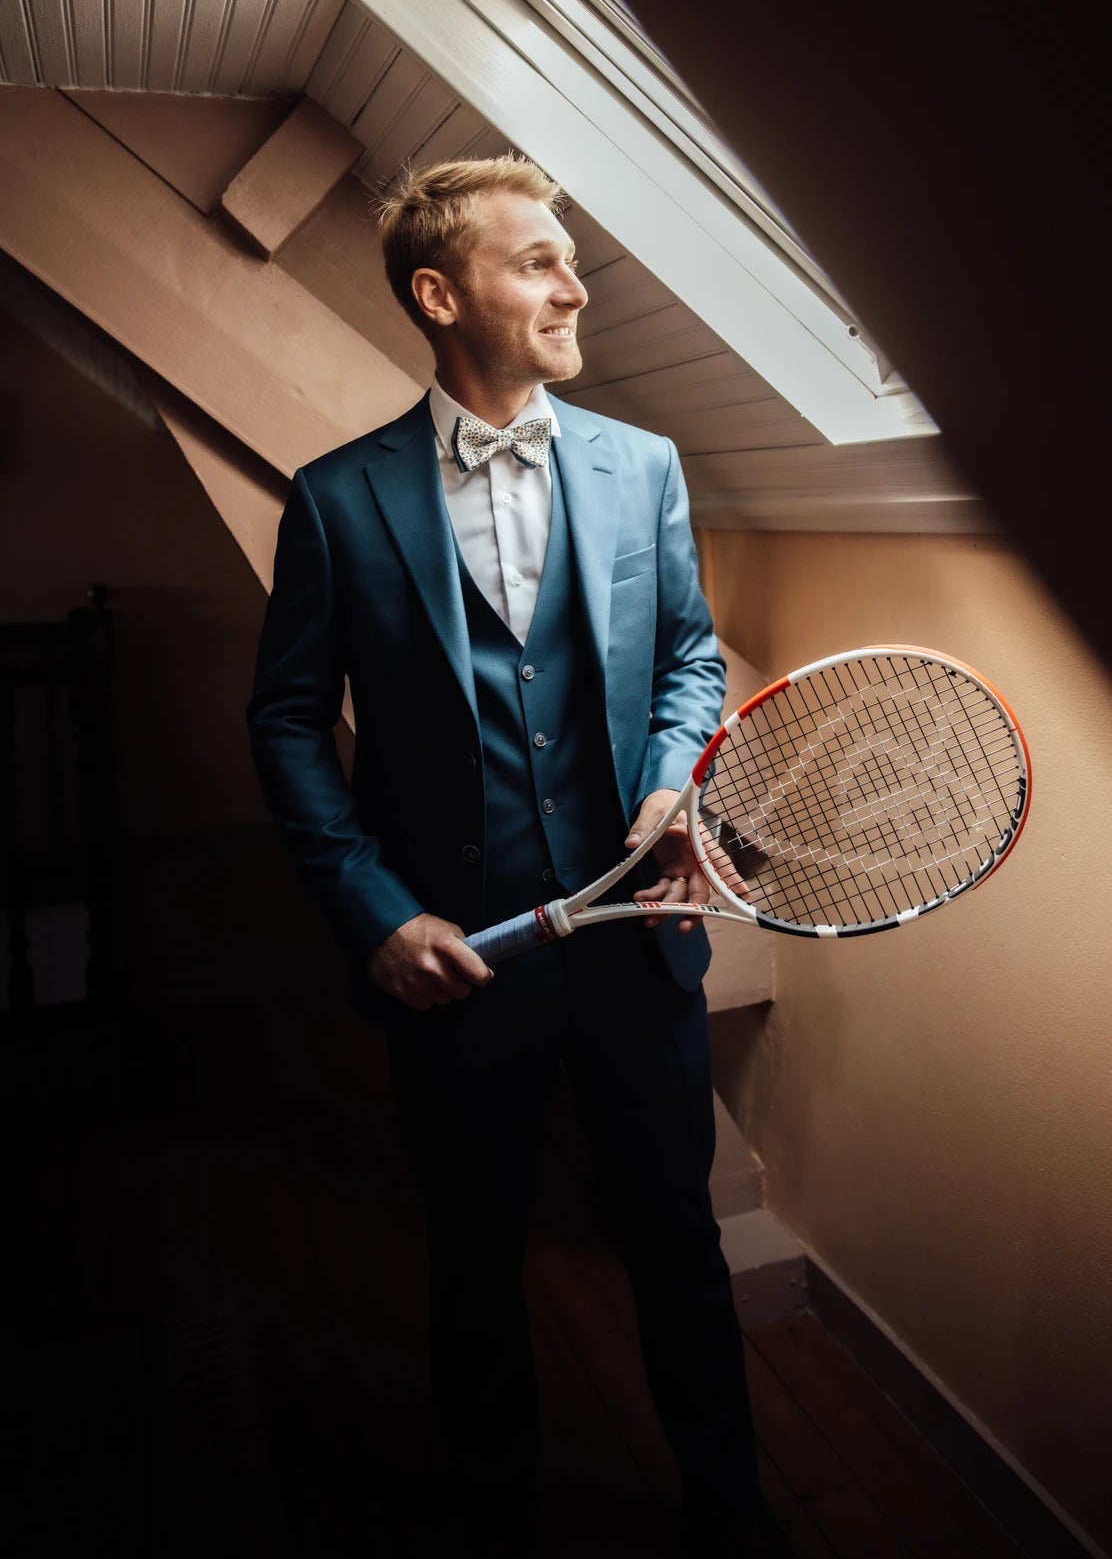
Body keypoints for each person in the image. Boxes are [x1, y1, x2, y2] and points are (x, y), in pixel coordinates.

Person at [246, 156, 789, 1557]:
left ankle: (732, 1513)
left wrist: (669, 781)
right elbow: (289, 721)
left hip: (637, 940)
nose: (574, 286)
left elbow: (687, 655)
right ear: (440, 295)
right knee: (473, 1255)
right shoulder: (336, 499)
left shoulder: (644, 465)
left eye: (571, 260)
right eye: (537, 261)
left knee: (677, 1241)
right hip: (459, 961)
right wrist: (373, 908)